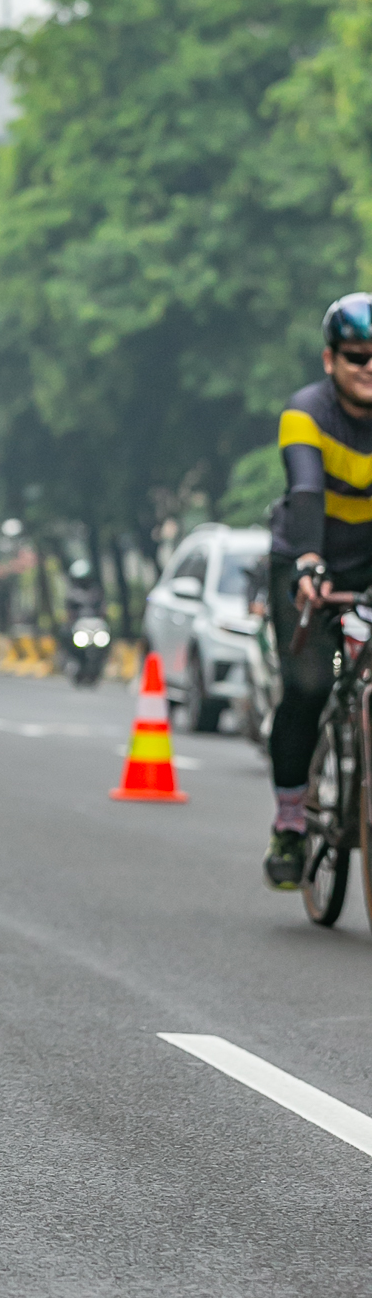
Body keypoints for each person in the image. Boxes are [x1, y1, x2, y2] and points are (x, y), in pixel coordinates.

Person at [264, 293, 372, 888]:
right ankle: (289, 823)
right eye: (358, 356)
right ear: (330, 360)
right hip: (306, 561)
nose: (370, 368)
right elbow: (305, 490)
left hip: (366, 564)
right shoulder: (305, 412)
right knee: (308, 686)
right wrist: (309, 561)